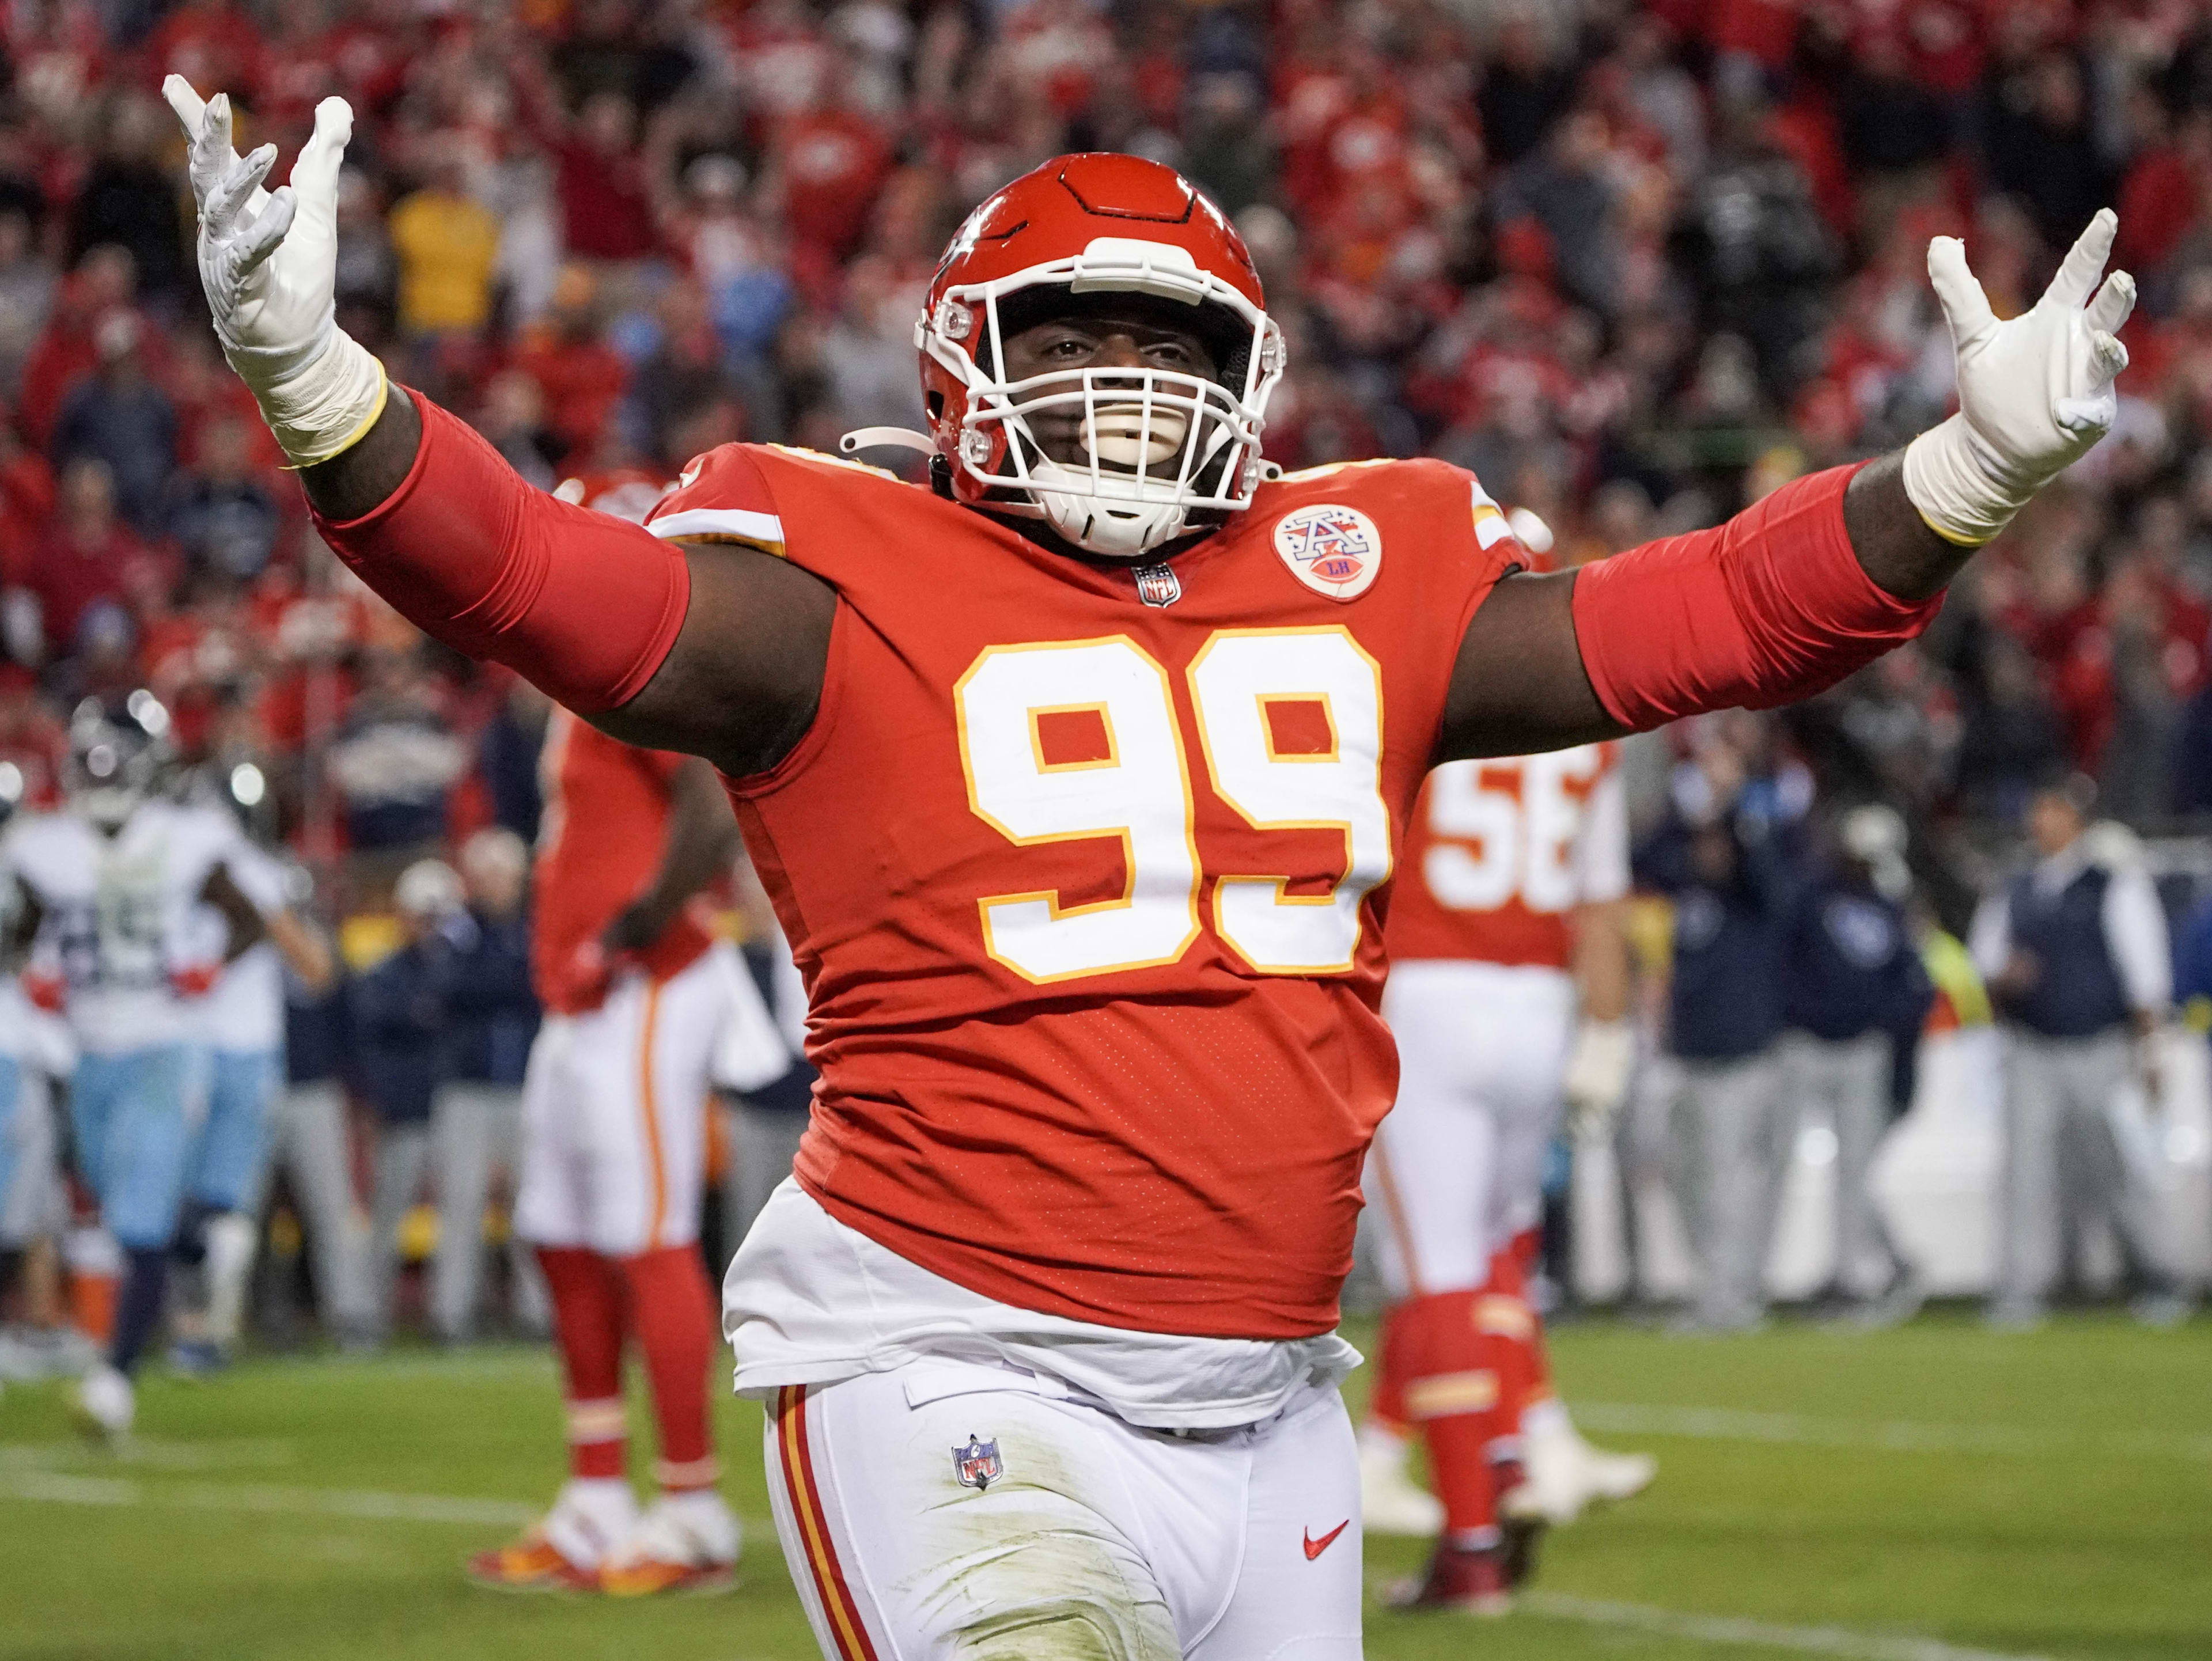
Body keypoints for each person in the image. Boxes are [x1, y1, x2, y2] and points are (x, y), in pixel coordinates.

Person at [170, 78, 2134, 1644]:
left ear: (1256, 375)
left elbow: (1701, 620)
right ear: (961, 357)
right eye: (1073, 331)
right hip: (953, 1362)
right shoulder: (830, 576)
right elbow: (536, 579)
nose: (1124, 376)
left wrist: (1962, 474)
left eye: (1167, 337)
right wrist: (320, 386)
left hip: (1274, 1395)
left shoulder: (1359, 566)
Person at [1357, 730, 1656, 1605]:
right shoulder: (1584, 723)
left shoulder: (1427, 682)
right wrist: (1607, 1035)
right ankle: (1515, 1456)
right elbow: (1601, 909)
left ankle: (1473, 1547)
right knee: (1495, 1248)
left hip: (1428, 991)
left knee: (1436, 1270)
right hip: (1540, 1000)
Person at [2, 692, 275, 1436]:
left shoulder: (186, 836)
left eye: (112, 760)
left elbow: (251, 918)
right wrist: (32, 969)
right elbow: (22, 928)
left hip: (165, 1040)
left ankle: (115, 1377)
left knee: (138, 1213)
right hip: (92, 1048)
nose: (101, 773)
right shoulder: (44, 846)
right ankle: (205, 1239)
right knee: (112, 1197)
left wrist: (210, 969)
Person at [1969, 775, 2187, 1328]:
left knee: (2116, 1167)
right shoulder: (2015, 886)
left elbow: (2144, 971)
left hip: (2098, 1045)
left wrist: (2151, 1049)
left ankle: (2156, 1274)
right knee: (2025, 1172)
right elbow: (1984, 968)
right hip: (2031, 1047)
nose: (2040, 821)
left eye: (2052, 810)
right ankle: (2021, 1288)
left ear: (2075, 819)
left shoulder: (2110, 883)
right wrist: (2003, 981)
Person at [1634, 740, 1801, 1333]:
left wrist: (1733, 815)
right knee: (1685, 1177)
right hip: (1690, 1041)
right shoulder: (1684, 856)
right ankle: (1718, 1285)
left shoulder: (1760, 846)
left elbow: (1782, 896)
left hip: (1745, 1044)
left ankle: (1732, 1297)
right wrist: (1692, 816)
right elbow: (1642, 859)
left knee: (1732, 1180)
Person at [170, 817, 334, 1372]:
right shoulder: (257, 873)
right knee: (222, 1207)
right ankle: (209, 1329)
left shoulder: (172, 859)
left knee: (190, 1201)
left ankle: (194, 1330)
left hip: (184, 1045)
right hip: (241, 1049)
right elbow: (316, 969)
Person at [1778, 804, 1934, 1322]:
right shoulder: (1811, 895)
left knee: (1857, 1175)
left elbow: (1911, 985)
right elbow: (1784, 959)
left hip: (1864, 1051)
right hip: (1807, 1044)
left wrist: (1878, 1023)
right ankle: (1763, 1279)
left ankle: (1854, 1279)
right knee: (1773, 1160)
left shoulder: (1892, 907)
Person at [428, 826, 545, 1342]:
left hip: (527, 1087)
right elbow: (448, 987)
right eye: (492, 876)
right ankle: (451, 1316)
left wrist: (502, 980)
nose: (501, 886)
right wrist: (512, 979)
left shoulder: (536, 925)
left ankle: (539, 1314)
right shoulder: (459, 926)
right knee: (461, 1204)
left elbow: (542, 985)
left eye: (508, 876)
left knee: (537, 1208)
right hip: (469, 1087)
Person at [353, 856, 464, 1334]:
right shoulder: (385, 974)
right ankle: (368, 1317)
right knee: (388, 1220)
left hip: (452, 1110)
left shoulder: (461, 969)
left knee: (460, 1219)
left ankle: (453, 1316)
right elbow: (381, 1027)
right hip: (405, 1113)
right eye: (423, 914)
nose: (429, 926)